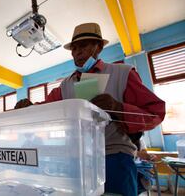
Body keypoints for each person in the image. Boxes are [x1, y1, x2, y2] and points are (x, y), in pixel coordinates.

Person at [15, 23, 165, 196]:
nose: (77, 52)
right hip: (78, 159)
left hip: (114, 156)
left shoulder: (122, 73)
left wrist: (118, 107)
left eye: (84, 45)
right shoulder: (65, 86)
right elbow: (46, 108)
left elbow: (155, 114)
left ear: (99, 47)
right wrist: (29, 107)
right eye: (74, 48)